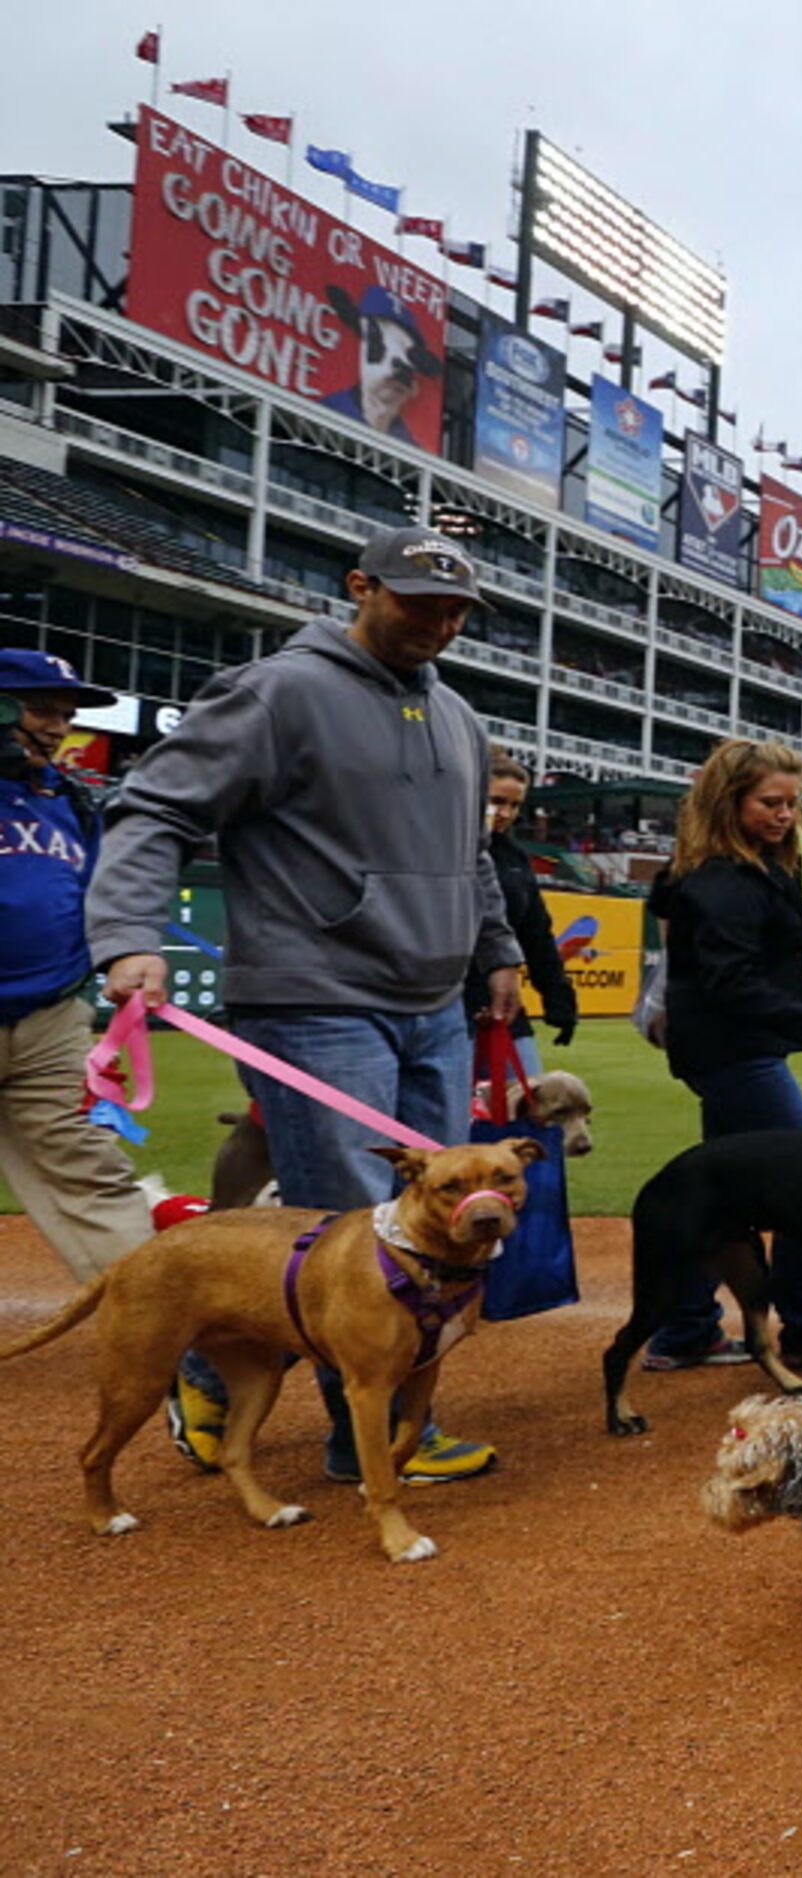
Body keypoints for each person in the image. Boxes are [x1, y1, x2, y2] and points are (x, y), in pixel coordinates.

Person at [87, 524, 521, 1486]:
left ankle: (221, 1370)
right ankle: (355, 1437)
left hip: (432, 1004)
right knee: (365, 1232)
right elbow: (154, 807)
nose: (441, 625)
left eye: (456, 610)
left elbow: (473, 856)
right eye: (419, 602)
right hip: (313, 1000)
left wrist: (496, 949)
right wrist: (126, 937)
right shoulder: (277, 691)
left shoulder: (456, 713)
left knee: (431, 1225)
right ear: (359, 585)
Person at [640, 738, 802, 1376]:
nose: (785, 816)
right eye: (770, 803)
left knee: (722, 1196)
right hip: (735, 1054)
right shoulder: (724, 879)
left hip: (730, 1051)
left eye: (793, 804)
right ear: (729, 801)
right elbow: (731, 983)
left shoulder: (734, 870)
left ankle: (686, 1330)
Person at [0, 650, 154, 1284]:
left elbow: (95, 896)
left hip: (48, 1021)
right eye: (41, 709)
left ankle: (167, 1347)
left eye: (66, 714)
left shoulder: (70, 801)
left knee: (94, 1174)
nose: (59, 728)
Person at [469, 756, 578, 1075]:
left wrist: (558, 995)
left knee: (525, 1104)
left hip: (502, 1003)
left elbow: (536, 932)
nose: (505, 813)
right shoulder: (445, 848)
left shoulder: (515, 857)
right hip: (445, 1003)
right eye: (497, 801)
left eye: (514, 805)